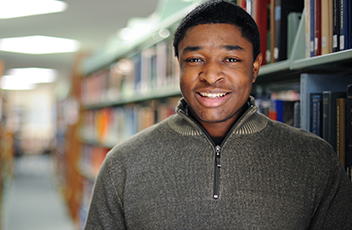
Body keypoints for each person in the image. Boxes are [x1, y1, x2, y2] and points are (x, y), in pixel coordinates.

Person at [84, 1, 352, 229]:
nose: (211, 76)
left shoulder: (314, 159)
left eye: (231, 59)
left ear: (255, 67)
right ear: (179, 65)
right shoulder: (124, 163)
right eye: (194, 60)